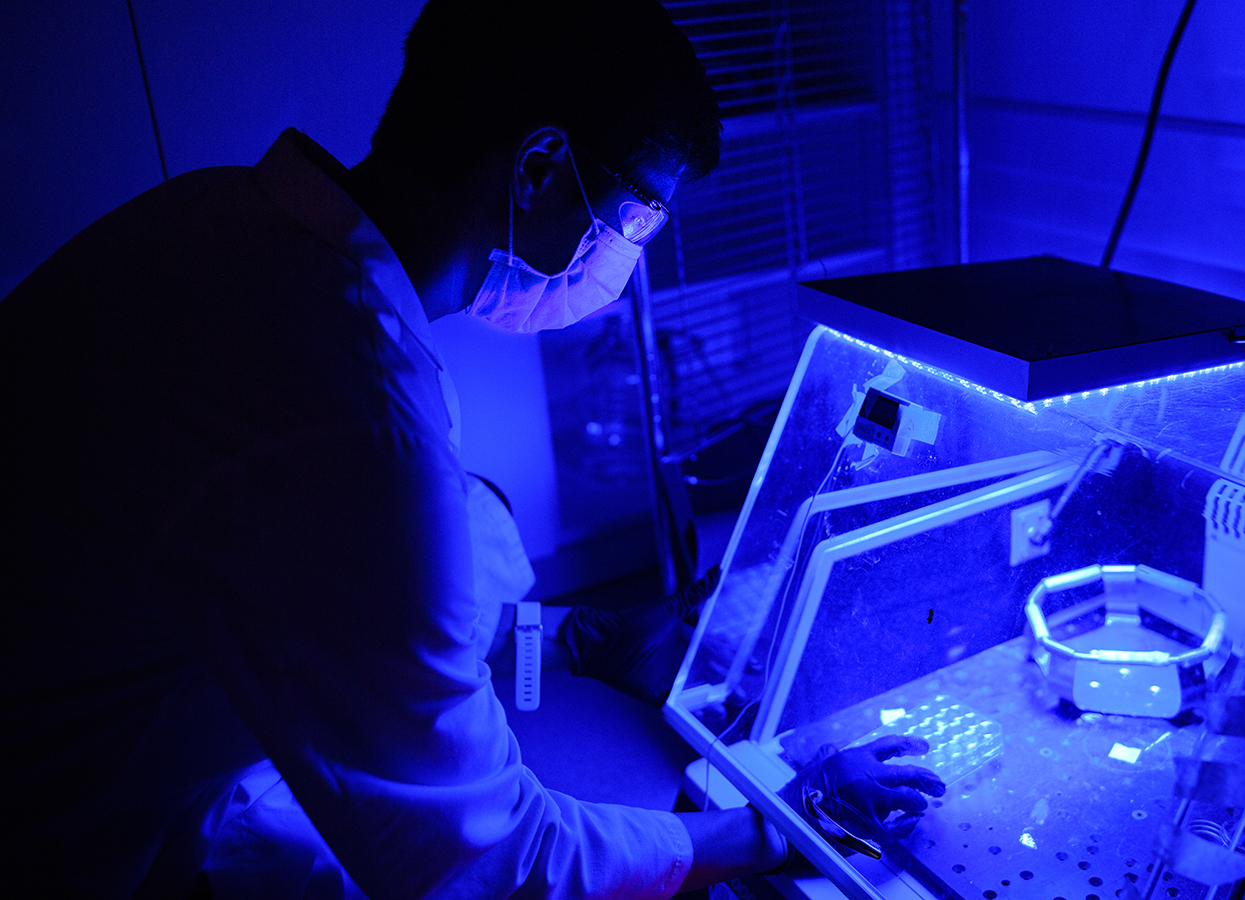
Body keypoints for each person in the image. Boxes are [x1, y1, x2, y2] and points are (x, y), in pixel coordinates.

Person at [0, 1, 943, 897]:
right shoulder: (343, 407)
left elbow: (326, 613)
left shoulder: (226, 227)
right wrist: (778, 822)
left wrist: (572, 634)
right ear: (537, 170)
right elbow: (490, 867)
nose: (632, 256)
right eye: (639, 218)